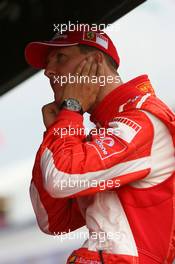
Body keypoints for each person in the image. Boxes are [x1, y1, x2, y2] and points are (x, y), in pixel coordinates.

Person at [25, 27, 175, 264]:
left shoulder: (142, 119)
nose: (48, 71)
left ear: (95, 62)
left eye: (60, 58)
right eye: (47, 63)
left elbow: (61, 180)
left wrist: (71, 110)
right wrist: (57, 130)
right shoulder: (95, 133)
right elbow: (52, 221)